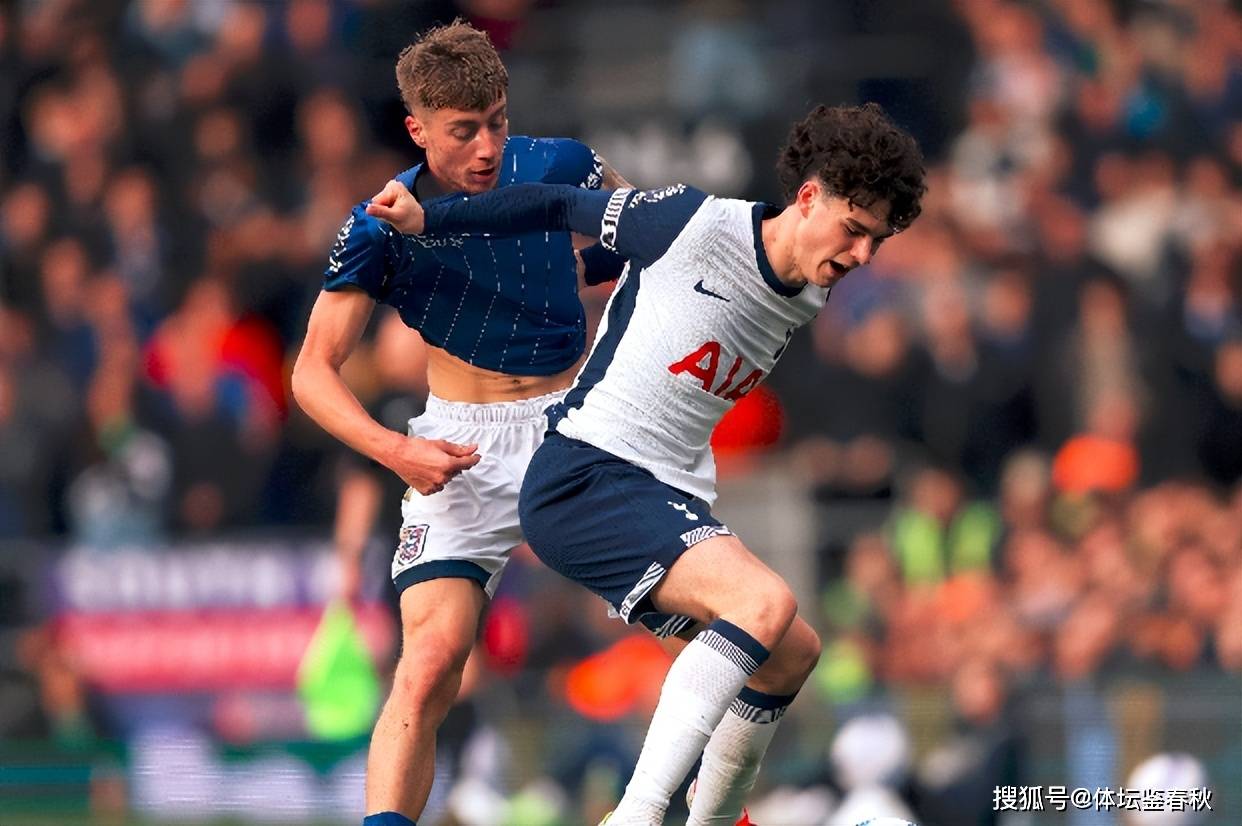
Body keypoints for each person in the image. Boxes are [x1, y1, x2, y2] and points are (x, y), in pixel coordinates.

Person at [365, 101, 927, 825]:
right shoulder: (696, 223)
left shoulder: (811, 291)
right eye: (854, 230)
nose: (863, 256)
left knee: (791, 653)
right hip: (587, 477)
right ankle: (635, 815)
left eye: (877, 240)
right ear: (810, 196)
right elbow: (556, 204)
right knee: (763, 604)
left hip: (655, 497)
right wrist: (430, 220)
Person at [291, 21, 630, 826]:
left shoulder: (562, 164)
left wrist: (582, 275)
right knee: (428, 666)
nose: (487, 148)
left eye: (498, 122)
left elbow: (641, 234)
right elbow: (310, 372)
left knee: (699, 626)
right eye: (464, 130)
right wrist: (396, 451)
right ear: (417, 129)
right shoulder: (379, 222)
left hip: (568, 432)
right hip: (457, 446)